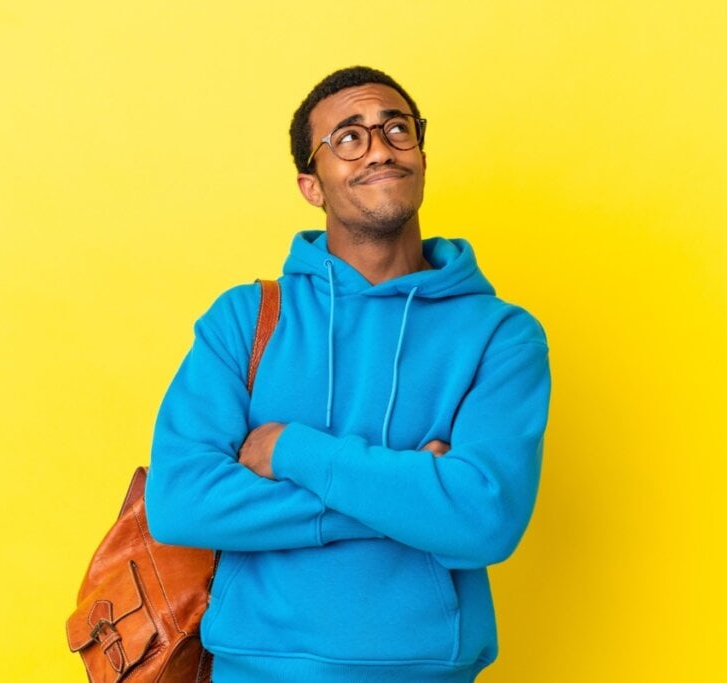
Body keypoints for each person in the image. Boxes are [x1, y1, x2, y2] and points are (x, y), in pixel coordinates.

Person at [146, 65, 551, 683]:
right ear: (312, 185)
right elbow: (181, 505)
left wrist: (290, 448)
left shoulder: (501, 334)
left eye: (397, 129)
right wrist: (414, 494)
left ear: (420, 153)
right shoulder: (245, 319)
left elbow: (485, 522)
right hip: (252, 670)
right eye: (348, 138)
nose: (380, 149)